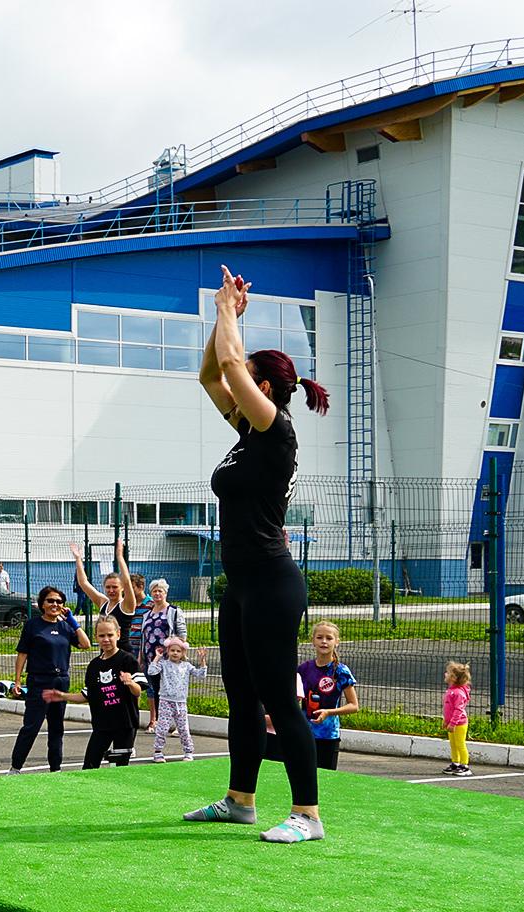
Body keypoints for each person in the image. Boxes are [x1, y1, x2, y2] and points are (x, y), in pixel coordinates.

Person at [182, 265, 332, 843]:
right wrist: (222, 322)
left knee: (277, 699)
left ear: (262, 389)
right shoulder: (247, 435)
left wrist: (227, 312)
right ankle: (239, 800)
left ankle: (308, 816)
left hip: (272, 583)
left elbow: (227, 365)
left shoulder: (276, 430)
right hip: (241, 585)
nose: (235, 383)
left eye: (246, 379)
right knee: (241, 696)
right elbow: (208, 373)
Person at [43, 615, 144, 769]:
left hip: (125, 723)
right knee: (90, 765)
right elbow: (87, 695)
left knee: (119, 767)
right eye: (101, 635)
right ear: (96, 637)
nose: (106, 639)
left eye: (110, 635)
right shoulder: (94, 666)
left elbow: (138, 691)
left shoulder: (127, 660)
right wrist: (62, 695)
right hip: (102, 724)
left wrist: (130, 683)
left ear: (118, 634)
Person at [8, 587, 88, 773]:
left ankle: (55, 768)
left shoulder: (65, 626)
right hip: (39, 682)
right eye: (51, 601)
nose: (55, 605)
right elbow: (22, 654)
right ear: (42, 604)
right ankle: (15, 767)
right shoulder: (32, 625)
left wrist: (72, 621)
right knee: (31, 726)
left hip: (61, 682)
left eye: (59, 602)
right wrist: (18, 680)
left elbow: (84, 644)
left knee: (56, 728)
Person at [298, 621, 358, 771]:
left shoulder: (340, 671)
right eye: (319, 637)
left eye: (329, 638)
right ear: (313, 640)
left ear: (336, 642)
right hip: (304, 734)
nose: (324, 641)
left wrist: (328, 712)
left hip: (328, 736)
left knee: (325, 780)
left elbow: (354, 706)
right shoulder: (303, 669)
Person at [72, 539, 139, 659]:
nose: (111, 590)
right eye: (108, 587)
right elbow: (83, 583)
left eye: (115, 587)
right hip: (105, 653)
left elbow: (127, 581)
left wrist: (119, 556)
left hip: (123, 655)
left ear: (122, 588)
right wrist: (78, 559)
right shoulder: (103, 602)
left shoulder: (127, 605)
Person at [138, 578, 188, 731]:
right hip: (151, 659)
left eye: (160, 591)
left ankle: (178, 724)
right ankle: (162, 722)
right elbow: (144, 636)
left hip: (168, 659)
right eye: (154, 591)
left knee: (171, 690)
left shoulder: (173, 611)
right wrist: (141, 655)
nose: (157, 593)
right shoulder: (147, 613)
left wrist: (177, 652)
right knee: (156, 690)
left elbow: (182, 633)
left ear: (166, 593)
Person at [148, 637, 207, 763]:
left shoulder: (187, 666)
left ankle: (188, 751)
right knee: (162, 728)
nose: (175, 653)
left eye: (178, 651)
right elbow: (151, 671)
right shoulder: (164, 664)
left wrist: (202, 661)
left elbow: (201, 675)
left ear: (183, 653)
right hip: (165, 701)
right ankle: (158, 752)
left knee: (183, 729)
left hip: (181, 703)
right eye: (172, 650)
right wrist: (157, 657)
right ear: (168, 651)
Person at [442, 661, 471, 777]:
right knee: (453, 744)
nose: (445, 674)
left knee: (460, 744)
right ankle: (455, 763)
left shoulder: (458, 693)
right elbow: (448, 709)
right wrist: (446, 720)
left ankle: (465, 766)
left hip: (459, 724)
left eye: (448, 673)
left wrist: (453, 723)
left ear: (453, 678)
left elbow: (458, 710)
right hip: (452, 723)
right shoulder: (451, 691)